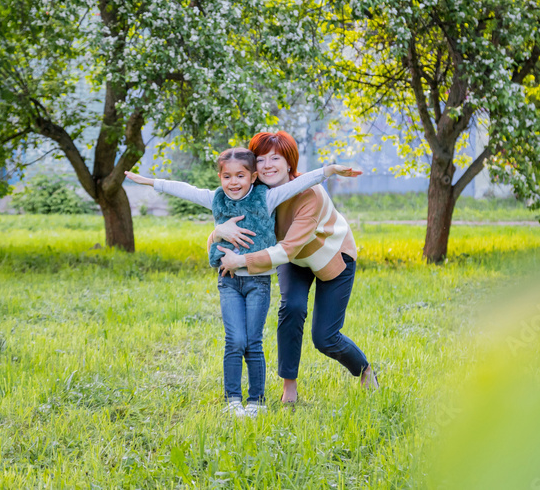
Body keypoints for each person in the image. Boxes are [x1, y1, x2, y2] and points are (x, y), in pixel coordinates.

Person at [125, 148, 360, 417]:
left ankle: (256, 401)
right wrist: (150, 181)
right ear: (220, 177)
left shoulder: (267, 197)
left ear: (253, 176)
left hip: (259, 281)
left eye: (240, 175)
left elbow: (300, 183)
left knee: (253, 342)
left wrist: (328, 171)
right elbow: (185, 189)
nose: (233, 182)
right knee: (234, 340)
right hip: (228, 281)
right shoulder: (217, 199)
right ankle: (233, 400)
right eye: (227, 176)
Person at [212, 131, 378, 405]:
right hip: (292, 259)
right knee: (291, 309)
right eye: (261, 159)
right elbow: (225, 225)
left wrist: (241, 261)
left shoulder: (308, 193)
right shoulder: (255, 195)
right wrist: (220, 231)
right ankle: (290, 388)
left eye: (275, 158)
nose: (267, 165)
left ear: (289, 162)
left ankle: (365, 369)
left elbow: (288, 247)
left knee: (325, 337)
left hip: (332, 258)